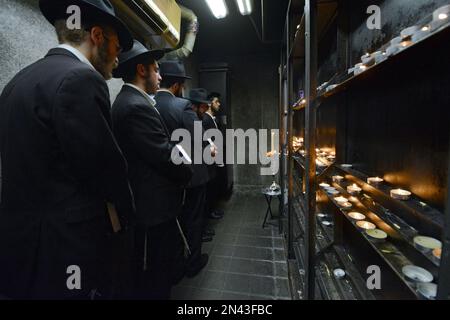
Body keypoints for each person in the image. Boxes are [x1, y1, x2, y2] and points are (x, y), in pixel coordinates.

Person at [0, 0, 134, 299]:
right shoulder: (81, 79)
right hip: (63, 248)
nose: (117, 56)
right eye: (116, 45)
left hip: (20, 248)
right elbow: (104, 169)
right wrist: (127, 218)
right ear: (97, 36)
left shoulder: (18, 81)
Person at [111, 41, 192, 299]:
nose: (160, 76)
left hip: (151, 208)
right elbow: (165, 154)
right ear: (141, 70)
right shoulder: (134, 105)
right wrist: (186, 164)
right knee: (155, 279)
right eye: (156, 70)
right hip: (151, 211)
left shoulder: (134, 101)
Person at [155, 62, 210, 279]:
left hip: (166, 176)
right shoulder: (182, 106)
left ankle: (175, 266)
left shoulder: (149, 103)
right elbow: (198, 138)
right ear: (177, 86)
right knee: (194, 219)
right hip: (192, 174)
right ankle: (193, 262)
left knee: (174, 223)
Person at [203, 92, 225, 220]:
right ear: (210, 103)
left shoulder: (212, 118)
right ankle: (210, 212)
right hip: (210, 157)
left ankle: (213, 209)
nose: (219, 104)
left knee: (214, 185)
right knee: (210, 187)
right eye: (216, 102)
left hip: (215, 155)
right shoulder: (205, 119)